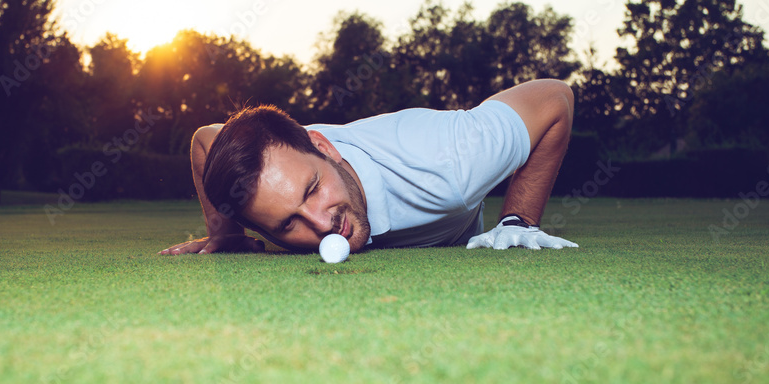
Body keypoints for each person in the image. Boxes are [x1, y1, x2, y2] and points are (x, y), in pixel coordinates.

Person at [159, 79, 578, 255]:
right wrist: (227, 235)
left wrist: (518, 219)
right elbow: (203, 140)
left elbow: (554, 98)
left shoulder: (449, 164)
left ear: (323, 146)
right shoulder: (261, 186)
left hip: (447, 193)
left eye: (311, 190)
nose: (320, 225)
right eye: (288, 225)